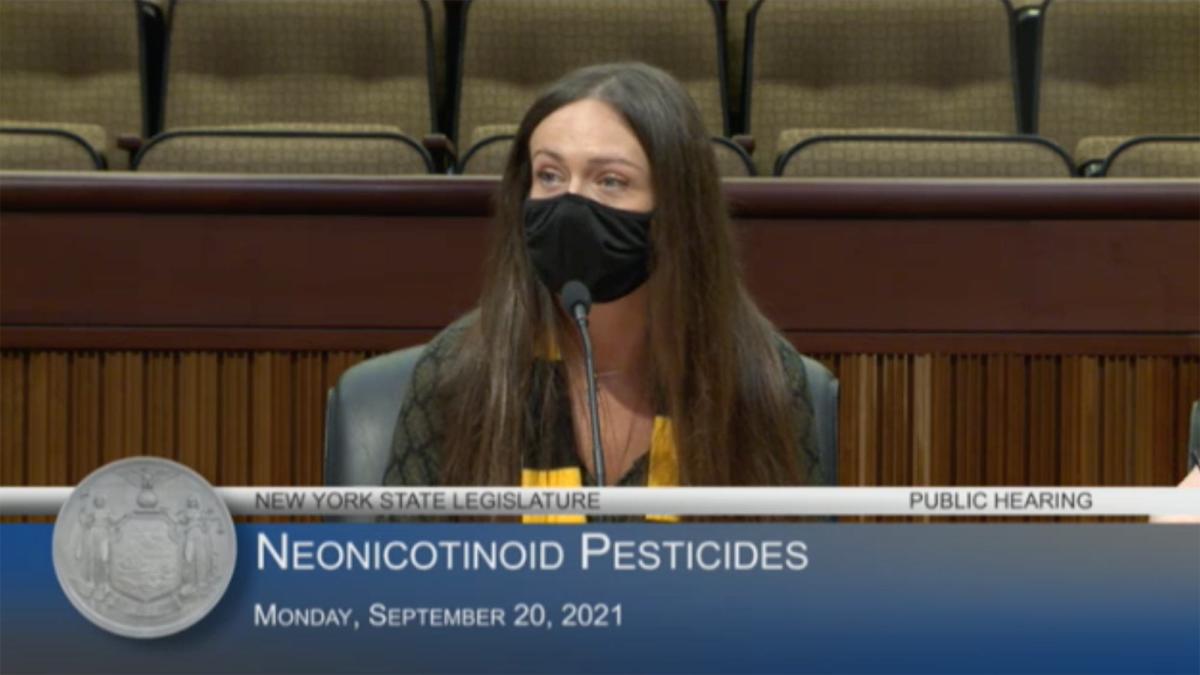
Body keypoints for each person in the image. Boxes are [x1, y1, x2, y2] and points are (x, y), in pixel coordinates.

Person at [382, 62, 822, 501]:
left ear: (676, 207)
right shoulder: (458, 373)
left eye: (610, 181)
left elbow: (800, 564)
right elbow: (400, 565)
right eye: (549, 176)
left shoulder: (761, 380)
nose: (572, 202)